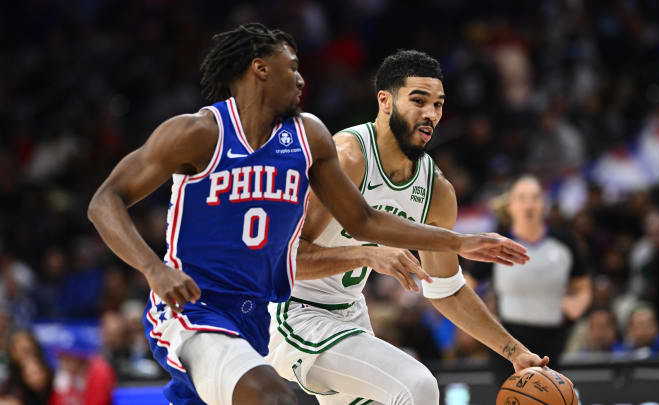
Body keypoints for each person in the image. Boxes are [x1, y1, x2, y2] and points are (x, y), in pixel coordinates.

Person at [87, 24, 531, 405]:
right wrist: (152, 269)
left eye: (439, 103)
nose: (301, 79)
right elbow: (104, 200)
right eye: (292, 67)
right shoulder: (198, 132)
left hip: (262, 316)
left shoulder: (309, 137)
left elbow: (365, 222)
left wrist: (459, 244)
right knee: (399, 388)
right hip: (206, 308)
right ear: (260, 68)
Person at [266, 50, 549, 405]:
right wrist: (366, 255)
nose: (430, 114)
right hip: (292, 312)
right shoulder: (347, 158)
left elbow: (446, 289)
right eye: (418, 101)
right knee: (416, 385)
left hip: (350, 318)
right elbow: (282, 261)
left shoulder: (437, 190)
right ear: (384, 100)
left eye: (438, 105)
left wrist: (513, 352)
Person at [488, 175, 592, 386]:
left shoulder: (565, 242)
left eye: (535, 197)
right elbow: (467, 284)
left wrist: (577, 304)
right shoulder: (497, 243)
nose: (529, 204)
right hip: (509, 338)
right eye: (522, 198)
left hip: (554, 337)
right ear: (511, 206)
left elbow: (583, 286)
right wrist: (485, 320)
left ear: (544, 204)